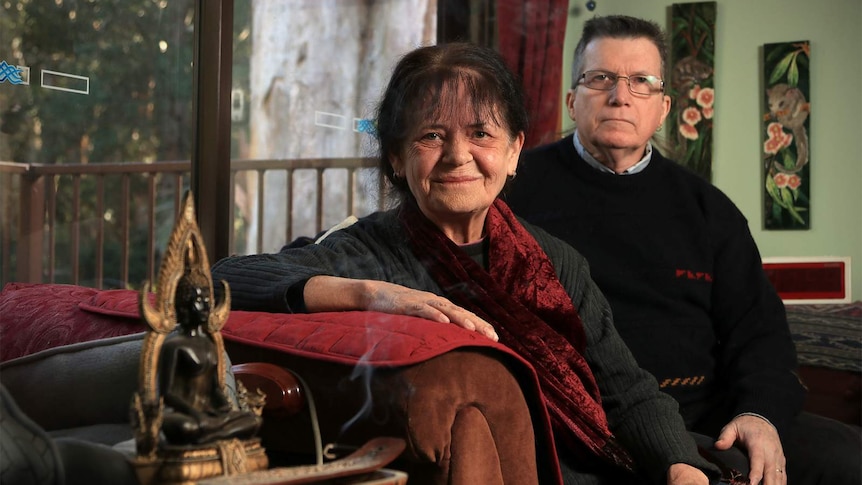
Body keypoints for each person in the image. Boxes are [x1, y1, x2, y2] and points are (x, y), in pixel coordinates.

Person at [212, 42, 733, 485]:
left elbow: (626, 390)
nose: (458, 155)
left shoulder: (554, 259)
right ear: (397, 156)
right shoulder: (367, 253)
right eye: (431, 136)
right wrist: (370, 294)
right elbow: (223, 278)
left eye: (481, 134)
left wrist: (679, 464)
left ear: (513, 153)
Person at [504, 14, 861, 485]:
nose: (620, 95)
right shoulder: (514, 191)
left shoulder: (709, 209)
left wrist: (760, 414)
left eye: (641, 82)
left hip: (708, 418)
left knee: (849, 460)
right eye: (601, 78)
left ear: (664, 107)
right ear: (572, 100)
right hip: (576, 421)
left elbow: (759, 333)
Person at [158, 270, 262, 445]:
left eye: (207, 299)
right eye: (199, 300)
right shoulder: (174, 346)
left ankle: (209, 437)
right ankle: (216, 435)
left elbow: (214, 388)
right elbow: (167, 393)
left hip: (210, 414)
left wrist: (225, 407)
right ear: (183, 305)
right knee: (185, 427)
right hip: (186, 415)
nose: (206, 306)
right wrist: (196, 414)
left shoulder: (210, 344)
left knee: (253, 420)